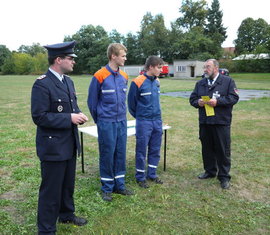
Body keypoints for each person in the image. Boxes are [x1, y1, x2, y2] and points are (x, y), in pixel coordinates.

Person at [31, 41, 88, 235]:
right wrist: (69, 118)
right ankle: (46, 229)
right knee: (51, 190)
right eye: (70, 59)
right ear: (58, 60)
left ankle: (66, 214)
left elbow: (71, 107)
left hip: (69, 144)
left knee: (67, 185)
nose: (73, 62)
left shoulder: (68, 81)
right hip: (53, 147)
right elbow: (39, 117)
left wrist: (78, 114)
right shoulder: (42, 84)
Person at [87, 43, 133, 202]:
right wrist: (100, 120)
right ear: (113, 56)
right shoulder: (99, 75)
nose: (125, 58)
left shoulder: (125, 76)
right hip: (106, 122)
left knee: (120, 152)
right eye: (123, 56)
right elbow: (92, 103)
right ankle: (107, 187)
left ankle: (119, 185)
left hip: (121, 121)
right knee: (107, 153)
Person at [189, 59, 239, 189]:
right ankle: (210, 171)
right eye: (204, 67)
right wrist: (198, 102)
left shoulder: (228, 82)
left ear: (216, 68)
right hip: (205, 122)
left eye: (208, 67)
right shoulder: (200, 83)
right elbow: (192, 99)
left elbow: (234, 98)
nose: (205, 69)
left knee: (223, 150)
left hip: (221, 122)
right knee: (207, 148)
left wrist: (218, 102)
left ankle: (224, 177)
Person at [128, 56, 164, 188]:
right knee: (141, 150)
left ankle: (152, 174)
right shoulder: (137, 82)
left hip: (157, 121)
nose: (161, 70)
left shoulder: (157, 81)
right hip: (144, 121)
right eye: (159, 67)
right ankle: (140, 176)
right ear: (150, 67)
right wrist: (141, 116)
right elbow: (131, 104)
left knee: (155, 148)